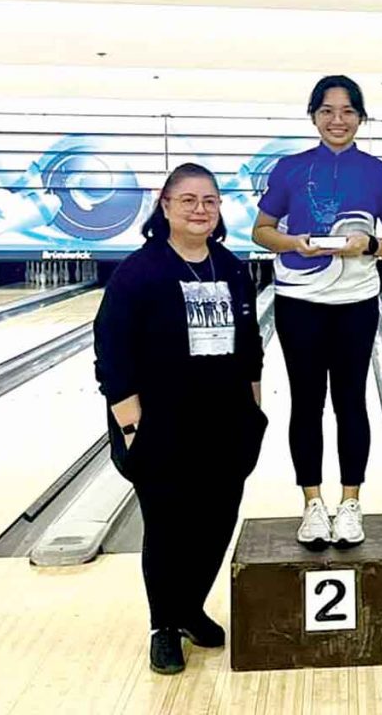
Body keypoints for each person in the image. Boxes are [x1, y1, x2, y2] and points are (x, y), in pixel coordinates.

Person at [94, 163, 267, 675]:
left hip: (226, 420)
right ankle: (163, 626)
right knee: (169, 528)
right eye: (188, 200)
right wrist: (132, 428)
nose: (199, 210)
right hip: (161, 423)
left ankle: (190, 607)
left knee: (216, 523)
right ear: (165, 206)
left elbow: (251, 347)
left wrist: (254, 411)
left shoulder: (232, 268)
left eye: (209, 201)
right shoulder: (138, 272)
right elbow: (112, 356)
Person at [252, 75, 382, 548]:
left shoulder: (379, 172)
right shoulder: (289, 169)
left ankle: (351, 502)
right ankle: (313, 504)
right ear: (314, 116)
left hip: (355, 303)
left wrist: (371, 244)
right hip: (299, 300)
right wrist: (292, 242)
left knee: (350, 401)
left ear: (361, 117)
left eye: (347, 111)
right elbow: (261, 230)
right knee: (306, 402)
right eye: (326, 111)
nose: (337, 120)